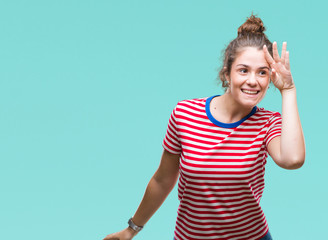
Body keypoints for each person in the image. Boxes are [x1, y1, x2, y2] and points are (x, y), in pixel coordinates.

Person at [103, 14, 305, 240]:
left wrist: (288, 90)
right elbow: (163, 179)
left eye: (262, 72)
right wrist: (131, 229)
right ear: (226, 73)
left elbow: (293, 159)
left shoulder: (268, 122)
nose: (253, 80)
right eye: (243, 70)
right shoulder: (185, 114)